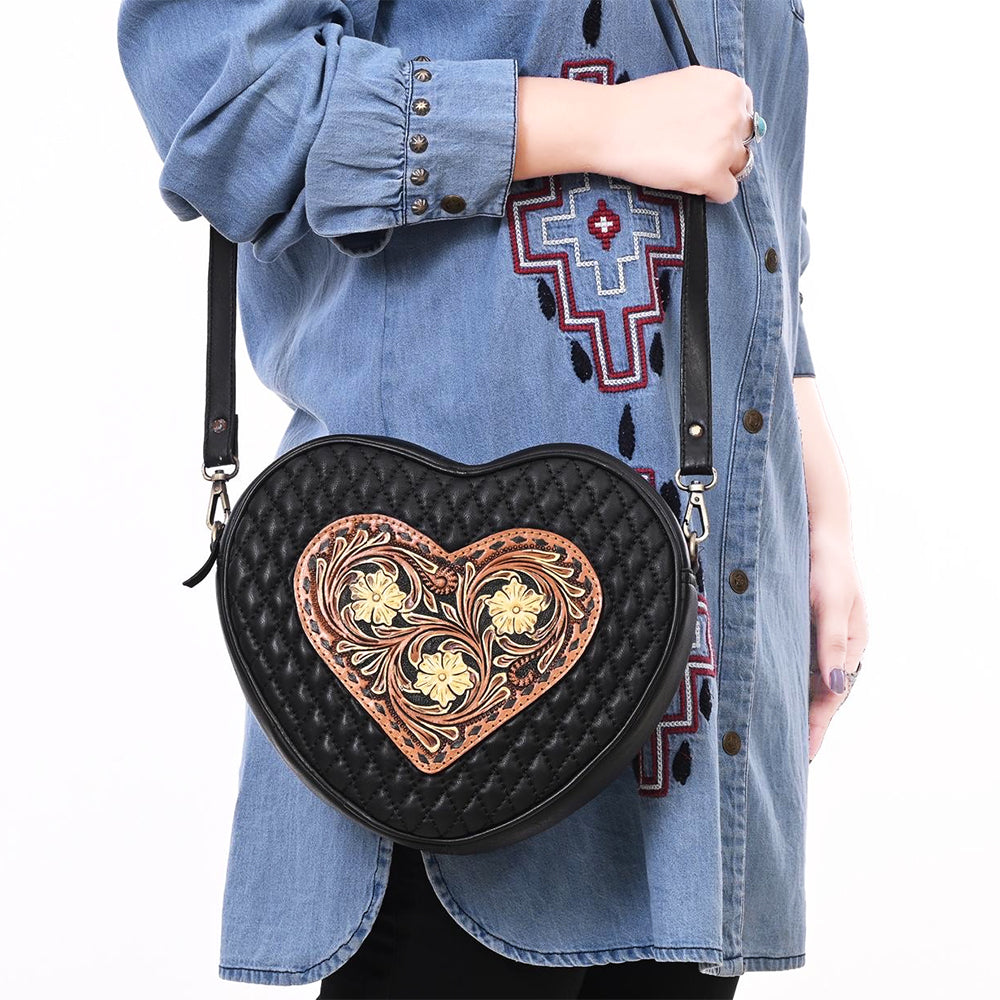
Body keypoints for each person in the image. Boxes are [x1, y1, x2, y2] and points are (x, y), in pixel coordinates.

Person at [117, 1, 868, 997]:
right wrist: (597, 124)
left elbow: (752, 176)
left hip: (708, 586)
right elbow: (229, 99)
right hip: (442, 596)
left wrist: (819, 504)